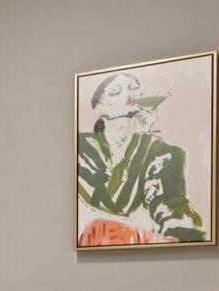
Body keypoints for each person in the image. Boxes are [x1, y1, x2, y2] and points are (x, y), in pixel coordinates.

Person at [76, 70, 206, 246]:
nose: (129, 95)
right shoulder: (79, 149)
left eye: (134, 89)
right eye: (116, 91)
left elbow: (174, 214)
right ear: (99, 109)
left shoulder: (163, 153)